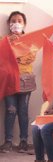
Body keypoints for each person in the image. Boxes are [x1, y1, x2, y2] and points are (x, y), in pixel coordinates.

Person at [0, 11, 37, 153]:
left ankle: (23, 141)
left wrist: (16, 53)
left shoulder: (30, 40)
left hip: (25, 80)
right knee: (10, 110)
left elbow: (30, 57)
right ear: (9, 24)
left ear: (24, 24)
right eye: (13, 20)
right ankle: (8, 141)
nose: (16, 23)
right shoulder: (3, 40)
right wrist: (10, 44)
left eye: (19, 20)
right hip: (9, 80)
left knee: (23, 111)